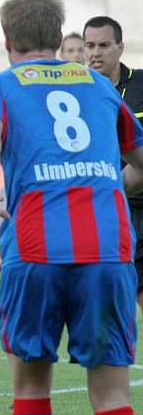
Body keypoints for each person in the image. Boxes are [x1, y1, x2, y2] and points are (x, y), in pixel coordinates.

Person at [0, 0, 143, 415]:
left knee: (31, 389)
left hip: (35, 249)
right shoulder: (101, 87)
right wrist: (107, 180)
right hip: (107, 250)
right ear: (56, 33)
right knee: (112, 395)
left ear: (8, 39)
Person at [84, 15, 143, 308]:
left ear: (120, 48)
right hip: (104, 210)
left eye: (104, 45)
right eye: (90, 45)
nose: (95, 53)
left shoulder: (141, 85)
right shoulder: (76, 93)